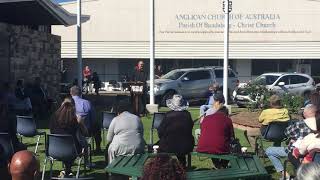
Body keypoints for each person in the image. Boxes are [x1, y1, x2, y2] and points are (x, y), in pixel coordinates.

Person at [265, 104, 316, 178]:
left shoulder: (300, 124)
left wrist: (294, 138)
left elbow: (287, 132)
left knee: (269, 151)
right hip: (313, 155)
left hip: (296, 153)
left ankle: (284, 174)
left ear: (304, 114)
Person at [50, 97, 88, 177]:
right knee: (80, 144)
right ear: (73, 107)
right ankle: (67, 170)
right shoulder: (75, 120)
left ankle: (67, 171)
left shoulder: (53, 117)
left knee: (69, 145)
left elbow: (52, 131)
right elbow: (85, 133)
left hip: (54, 149)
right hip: (71, 150)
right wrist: (81, 122)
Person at [196, 93, 234, 168]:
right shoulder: (227, 120)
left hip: (202, 147)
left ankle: (218, 166)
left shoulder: (207, 117)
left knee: (214, 145)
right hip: (220, 148)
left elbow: (202, 129)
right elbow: (231, 136)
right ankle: (222, 165)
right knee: (231, 148)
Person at [157, 94, 194, 167]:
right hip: (186, 145)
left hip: (169, 145)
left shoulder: (168, 115)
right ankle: (182, 165)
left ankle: (163, 167)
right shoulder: (188, 115)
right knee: (180, 146)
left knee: (161, 149)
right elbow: (190, 128)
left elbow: (160, 132)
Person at [70, 86, 102, 152]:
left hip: (71, 130)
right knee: (97, 126)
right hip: (86, 130)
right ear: (80, 93)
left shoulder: (66, 104)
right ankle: (98, 148)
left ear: (71, 93)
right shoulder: (87, 103)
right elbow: (93, 119)